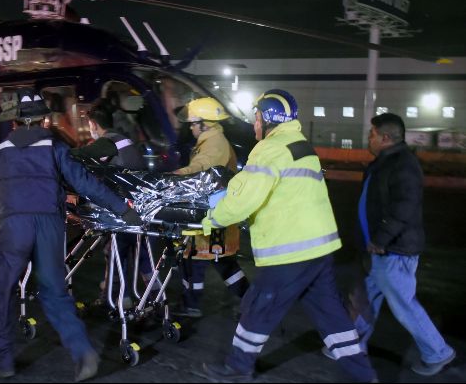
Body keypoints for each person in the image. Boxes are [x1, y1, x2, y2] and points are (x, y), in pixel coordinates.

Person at [201, 89, 377, 383]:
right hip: (320, 249)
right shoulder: (300, 145)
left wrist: (212, 219)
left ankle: (237, 368)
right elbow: (270, 188)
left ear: (267, 119)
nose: (254, 124)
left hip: (291, 250)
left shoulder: (271, 149)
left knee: (259, 306)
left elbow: (246, 200)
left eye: (256, 118)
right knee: (332, 317)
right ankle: (364, 375)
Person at [0, 88, 144, 381]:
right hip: (49, 225)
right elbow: (84, 183)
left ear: (15, 121)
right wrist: (123, 210)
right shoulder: (55, 147)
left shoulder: (2, 149)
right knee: (55, 292)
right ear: (43, 120)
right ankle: (83, 354)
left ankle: (2, 359)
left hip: (14, 226)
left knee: (3, 292)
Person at [324, 113, 455, 376]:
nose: (369, 138)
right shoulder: (384, 162)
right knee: (366, 298)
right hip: (377, 250)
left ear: (385, 138)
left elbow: (404, 208)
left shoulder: (403, 164)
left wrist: (381, 239)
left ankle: (438, 352)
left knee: (403, 304)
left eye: (372, 134)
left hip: (392, 250)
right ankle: (353, 344)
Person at [170, 97, 249, 318]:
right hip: (215, 215)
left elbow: (199, 169)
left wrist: (173, 176)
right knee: (221, 261)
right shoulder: (213, 141)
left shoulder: (214, 144)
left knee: (195, 258)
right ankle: (249, 301)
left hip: (212, 217)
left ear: (204, 123)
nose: (192, 127)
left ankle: (191, 304)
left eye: (194, 124)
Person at [71, 99, 151, 309]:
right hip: (141, 204)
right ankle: (151, 294)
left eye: (89, 125)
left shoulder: (107, 142)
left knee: (116, 249)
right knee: (139, 251)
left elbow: (78, 156)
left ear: (94, 125)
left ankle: (119, 298)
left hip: (126, 207)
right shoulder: (123, 140)